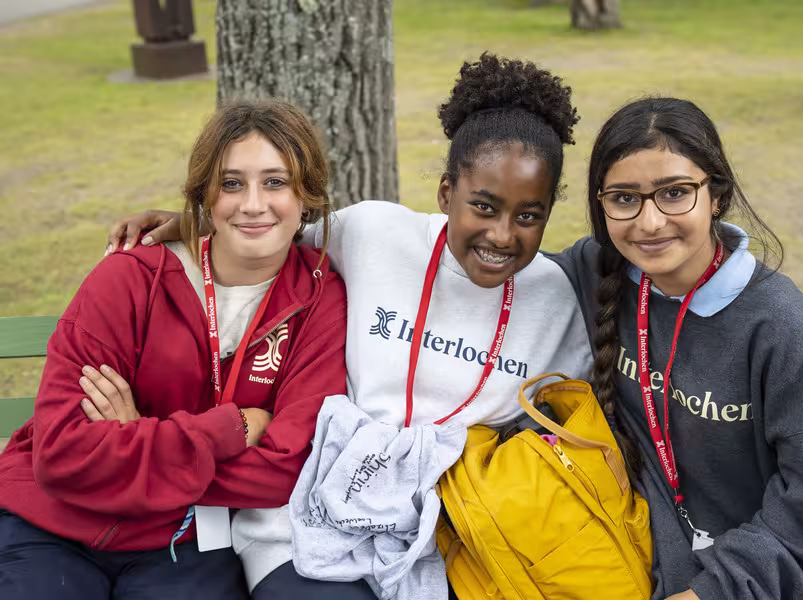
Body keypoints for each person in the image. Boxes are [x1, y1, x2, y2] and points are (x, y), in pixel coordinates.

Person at [102, 54, 596, 599]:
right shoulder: (372, 232)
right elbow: (268, 228)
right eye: (483, 206)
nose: (502, 235)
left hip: (451, 538)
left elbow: (566, 426)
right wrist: (187, 223)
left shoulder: (553, 297)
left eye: (529, 215)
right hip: (306, 520)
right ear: (446, 192)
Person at [549, 97, 803, 599]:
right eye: (624, 198)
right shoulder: (599, 273)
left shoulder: (782, 328)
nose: (648, 223)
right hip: (660, 569)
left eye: (674, 193)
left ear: (717, 195)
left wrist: (711, 592)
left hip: (790, 581)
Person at [0, 100, 348, 599]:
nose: (252, 204)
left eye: (276, 182)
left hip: (186, 537)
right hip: (52, 523)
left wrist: (132, 440)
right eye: (231, 183)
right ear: (204, 194)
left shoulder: (318, 299)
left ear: (306, 195)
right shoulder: (129, 277)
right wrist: (234, 428)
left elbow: (283, 470)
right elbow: (59, 456)